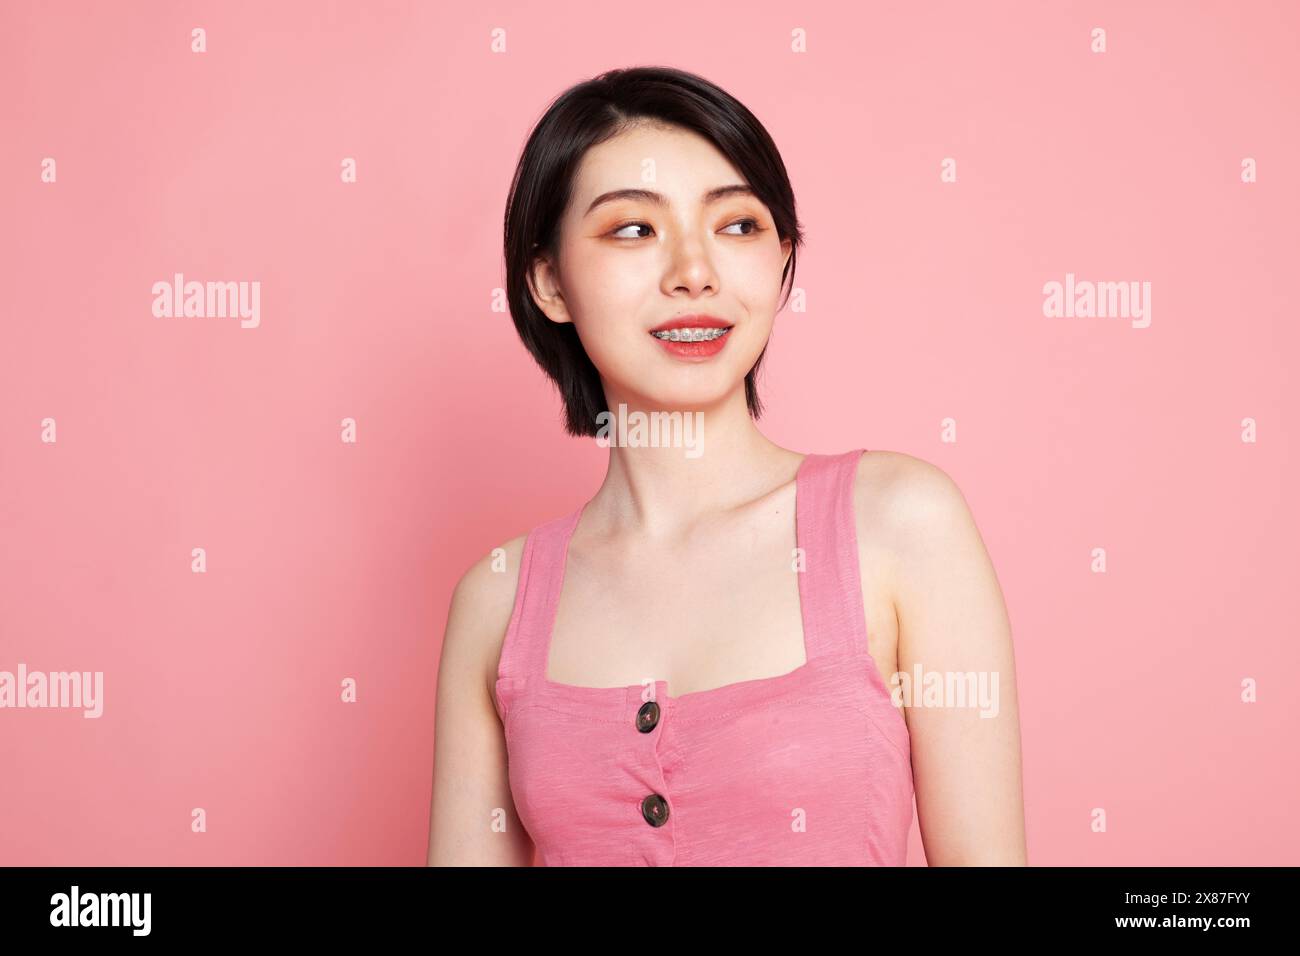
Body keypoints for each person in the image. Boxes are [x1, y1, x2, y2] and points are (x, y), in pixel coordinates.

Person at [428, 66, 1025, 866]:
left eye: (737, 226)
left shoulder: (900, 522)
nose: (694, 272)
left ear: (782, 263)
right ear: (549, 282)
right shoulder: (496, 599)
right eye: (633, 230)